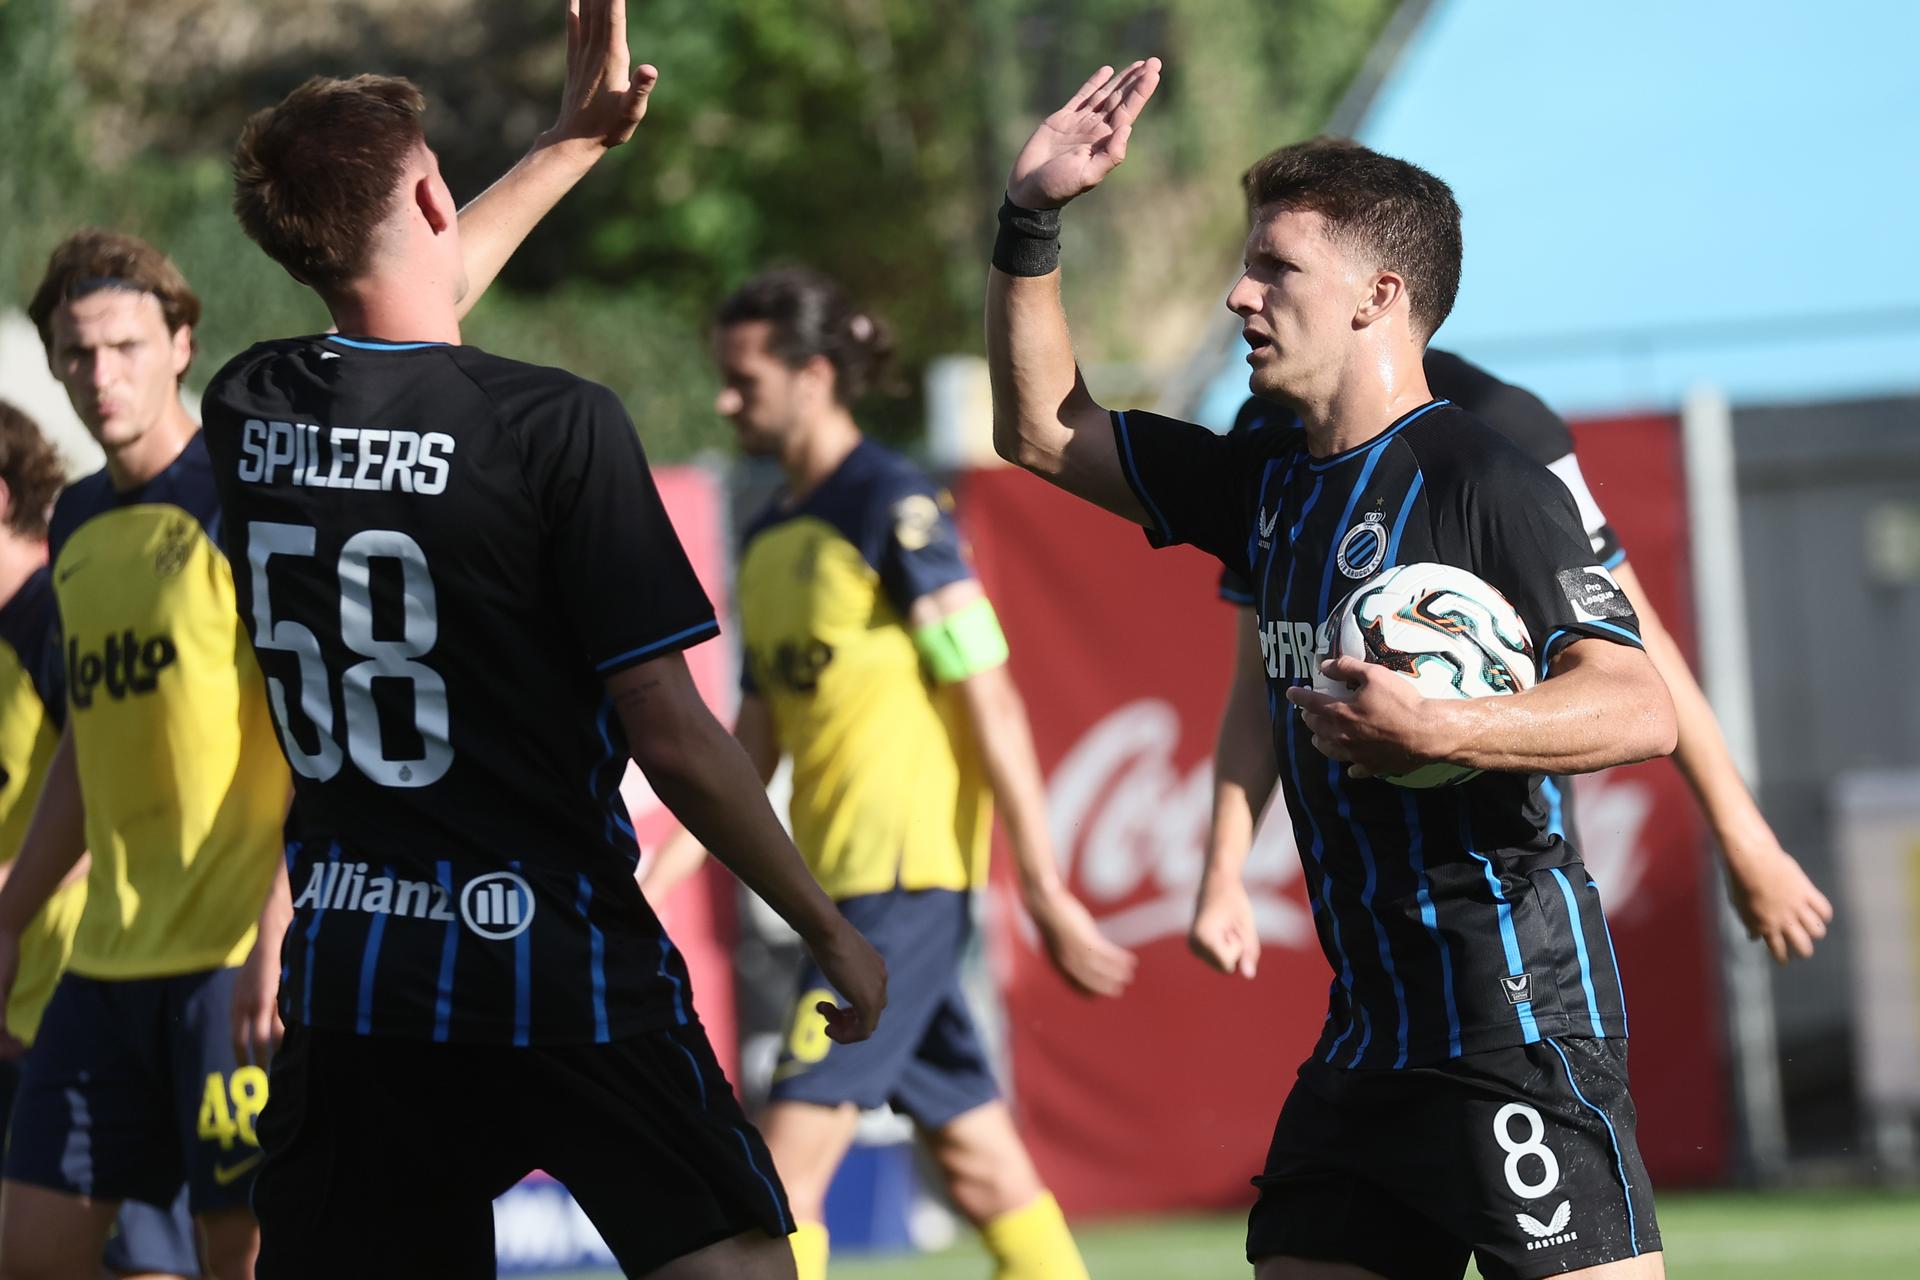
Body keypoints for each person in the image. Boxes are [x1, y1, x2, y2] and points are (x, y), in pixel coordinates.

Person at [203, 6, 885, 1278]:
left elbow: (397, 323)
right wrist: (824, 922)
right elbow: (672, 733)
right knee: (736, 1260)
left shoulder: (249, 403)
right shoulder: (554, 425)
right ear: (431, 191)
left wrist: (572, 146)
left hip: (358, 973)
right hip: (549, 953)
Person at [987, 59, 1679, 1279]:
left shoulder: (1486, 480)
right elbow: (1041, 430)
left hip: (1509, 1022)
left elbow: (1640, 704)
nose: (1237, 296)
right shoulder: (1267, 482)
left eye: (1275, 269)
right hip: (1367, 1040)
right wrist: (1032, 218)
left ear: (1379, 296)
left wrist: (1449, 728)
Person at [641, 267, 1135, 1280]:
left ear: (816, 373)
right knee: (983, 1164)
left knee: (781, 1181)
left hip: (902, 888)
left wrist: (1042, 886)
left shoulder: (895, 504)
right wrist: (667, 867)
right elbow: (754, 738)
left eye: (746, 380)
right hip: (847, 890)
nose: (728, 401)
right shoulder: (773, 530)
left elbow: (988, 697)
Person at [1191, 348, 1833, 981]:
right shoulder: (1265, 435)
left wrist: (1746, 842)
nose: (1243, 295)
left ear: (1375, 282)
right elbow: (1263, 678)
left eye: (1279, 265)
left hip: (1506, 915)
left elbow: (1639, 657)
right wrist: (1223, 872)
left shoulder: (1501, 433)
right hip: (1366, 934)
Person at [0, 227, 291, 1280]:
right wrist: (9, 915)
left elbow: (312, 726)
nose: (99, 374)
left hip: (226, 967)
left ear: (181, 342)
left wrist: (278, 927)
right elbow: (88, 740)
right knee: (31, 1251)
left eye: (125, 345)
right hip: (103, 966)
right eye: (76, 353)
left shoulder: (244, 498)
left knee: (240, 1255)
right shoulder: (76, 520)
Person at [0, 401, 202, 1280]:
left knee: (152, 1258)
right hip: (24, 1002)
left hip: (94, 991)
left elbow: (118, 789)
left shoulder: (54, 610)